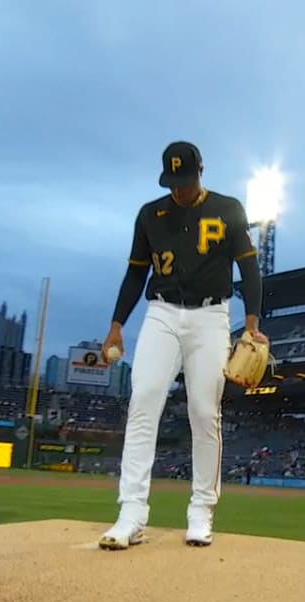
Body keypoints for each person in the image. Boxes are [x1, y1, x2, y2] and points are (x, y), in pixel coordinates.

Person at [98, 140, 266, 550]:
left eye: (186, 180)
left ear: (200, 172)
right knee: (144, 400)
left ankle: (201, 510)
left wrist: (252, 324)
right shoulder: (150, 215)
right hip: (162, 313)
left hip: (211, 317)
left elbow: (248, 267)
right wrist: (116, 324)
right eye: (174, 182)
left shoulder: (228, 208)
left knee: (204, 410)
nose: (181, 189)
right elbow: (135, 275)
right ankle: (131, 513)